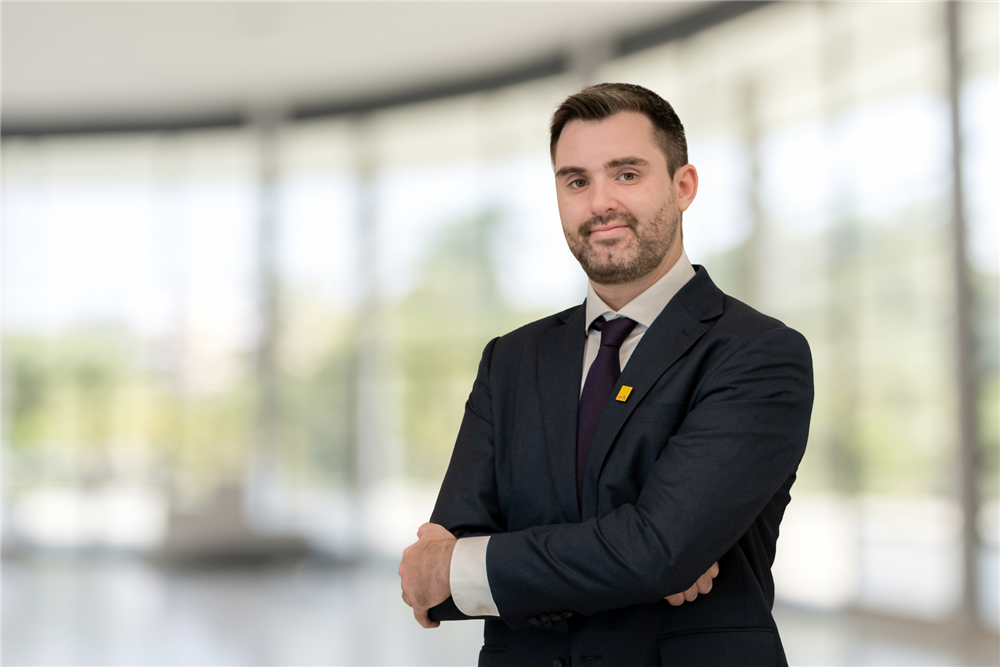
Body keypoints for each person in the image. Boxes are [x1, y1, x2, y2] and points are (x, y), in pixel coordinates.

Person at [398, 82, 814, 666]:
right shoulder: (510, 360)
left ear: (683, 186)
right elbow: (435, 583)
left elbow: (660, 551)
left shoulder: (757, 353)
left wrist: (654, 557)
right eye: (576, 182)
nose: (599, 203)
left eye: (626, 174)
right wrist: (636, 560)